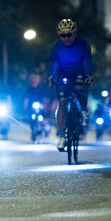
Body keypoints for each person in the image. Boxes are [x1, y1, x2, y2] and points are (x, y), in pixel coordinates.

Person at [47, 18, 93, 151]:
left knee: (80, 86)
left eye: (69, 35)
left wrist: (88, 76)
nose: (66, 38)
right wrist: (52, 77)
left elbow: (87, 62)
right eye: (63, 35)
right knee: (62, 102)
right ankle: (62, 137)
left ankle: (83, 110)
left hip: (79, 72)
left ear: (75, 33)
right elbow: (54, 65)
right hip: (63, 74)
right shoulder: (56, 47)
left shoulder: (83, 44)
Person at [23, 73, 51, 141]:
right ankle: (33, 132)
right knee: (31, 119)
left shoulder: (41, 88)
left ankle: (43, 129)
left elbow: (44, 97)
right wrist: (25, 104)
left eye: (37, 79)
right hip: (31, 106)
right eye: (34, 79)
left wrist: (44, 104)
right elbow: (26, 97)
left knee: (43, 117)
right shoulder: (29, 88)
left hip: (40, 106)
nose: (35, 81)